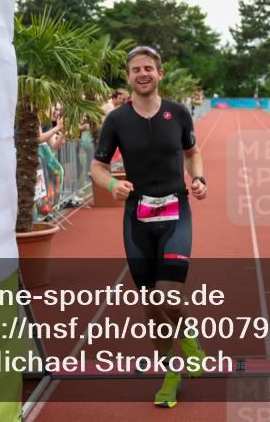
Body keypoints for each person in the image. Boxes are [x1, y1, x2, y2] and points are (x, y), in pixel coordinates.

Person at [90, 46, 208, 408]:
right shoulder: (116, 120)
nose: (142, 73)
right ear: (128, 77)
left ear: (160, 74)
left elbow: (191, 152)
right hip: (137, 219)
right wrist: (112, 185)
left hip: (176, 214)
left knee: (170, 295)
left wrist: (199, 177)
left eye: (149, 68)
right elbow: (98, 167)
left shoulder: (179, 113)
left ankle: (188, 340)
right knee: (152, 303)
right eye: (136, 69)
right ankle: (171, 372)